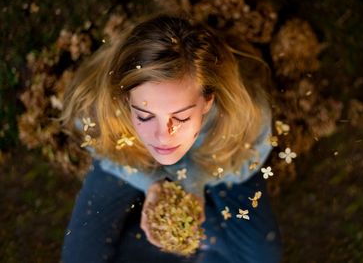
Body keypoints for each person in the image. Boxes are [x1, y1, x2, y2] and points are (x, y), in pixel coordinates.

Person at [60, 14, 282, 263]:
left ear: (208, 100)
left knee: (263, 258)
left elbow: (247, 160)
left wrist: (194, 183)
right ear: (125, 99)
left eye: (182, 118)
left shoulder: (245, 116)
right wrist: (150, 183)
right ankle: (201, 242)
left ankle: (189, 243)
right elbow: (98, 145)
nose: (163, 136)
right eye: (145, 116)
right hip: (131, 161)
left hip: (216, 165)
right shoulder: (98, 107)